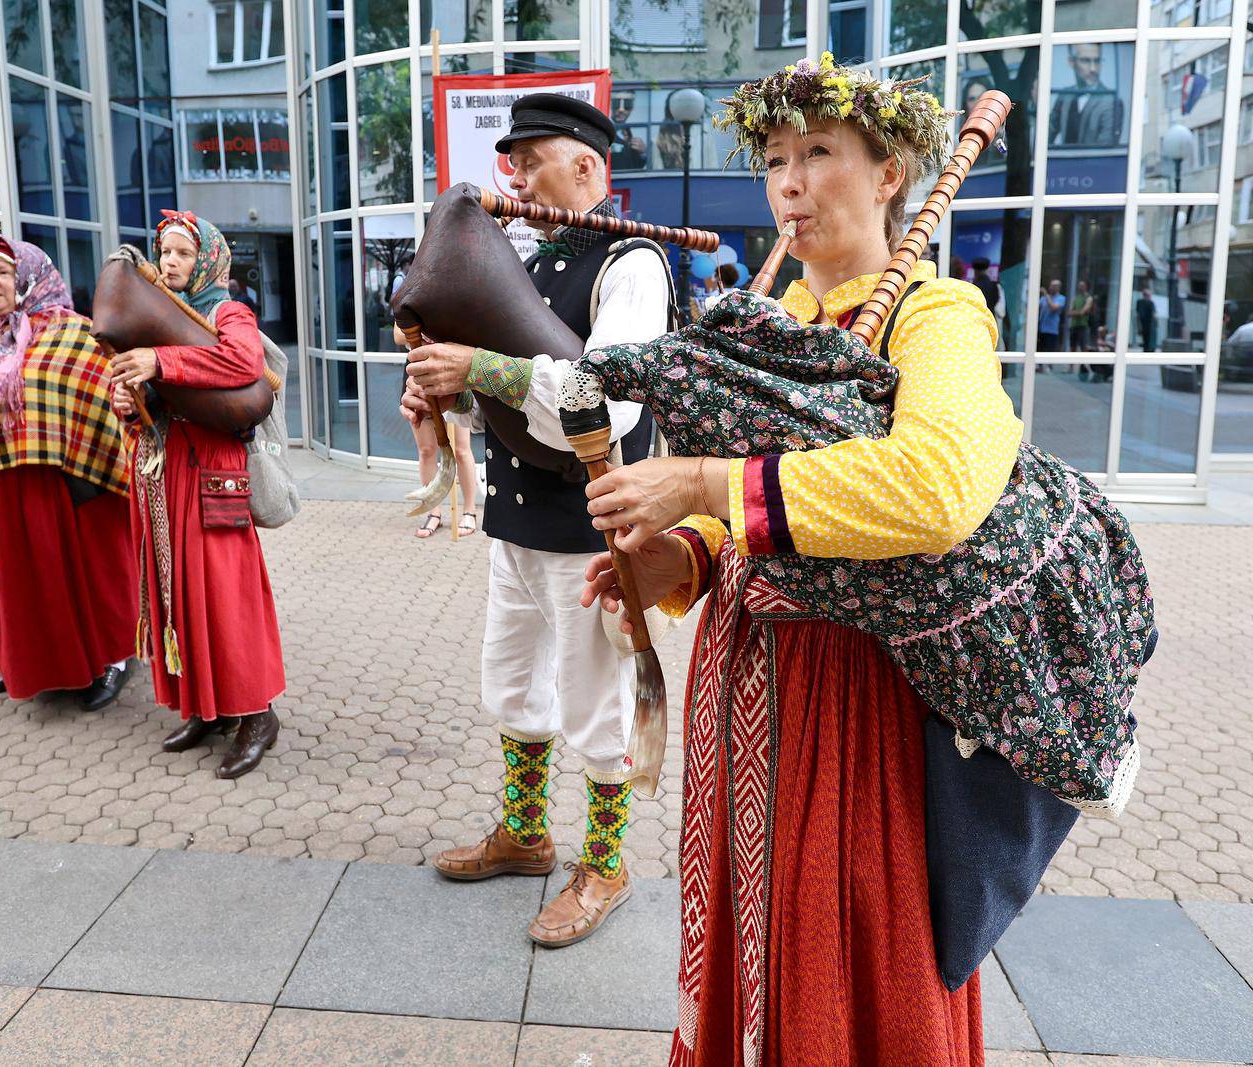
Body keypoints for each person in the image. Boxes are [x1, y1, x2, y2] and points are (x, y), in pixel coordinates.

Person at [575, 54, 1040, 1064]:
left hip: (854, 698)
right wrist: (675, 562)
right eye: (776, 159)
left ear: (887, 175)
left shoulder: (938, 317)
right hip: (747, 677)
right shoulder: (784, 326)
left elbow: (935, 488)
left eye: (819, 152)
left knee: (838, 934)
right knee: (751, 909)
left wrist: (700, 484)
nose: (790, 180)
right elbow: (754, 504)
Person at [401, 93, 670, 947]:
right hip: (516, 521)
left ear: (587, 168)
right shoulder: (530, 262)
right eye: (511, 160)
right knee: (513, 680)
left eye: (531, 159)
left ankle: (606, 862)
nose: (512, 175)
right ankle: (525, 834)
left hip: (590, 527)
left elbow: (608, 404)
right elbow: (512, 411)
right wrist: (453, 390)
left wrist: (486, 362)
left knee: (597, 702)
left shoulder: (634, 264)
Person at [0, 236, 138, 709]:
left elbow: (98, 406)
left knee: (77, 576)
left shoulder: (72, 333)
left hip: (54, 488)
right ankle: (17, 663)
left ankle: (111, 658)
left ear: (30, 277)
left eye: (3, 273)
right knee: (10, 583)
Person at [110, 210, 286, 779]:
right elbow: (155, 404)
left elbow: (243, 360)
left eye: (184, 253)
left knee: (224, 593)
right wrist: (129, 405)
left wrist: (158, 360)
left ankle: (257, 715)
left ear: (208, 259)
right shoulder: (155, 314)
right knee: (178, 592)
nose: (171, 263)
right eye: (165, 252)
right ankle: (207, 707)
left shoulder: (227, 311)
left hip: (214, 472)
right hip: (165, 474)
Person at [398, 328, 480, 539]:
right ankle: (433, 511)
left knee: (461, 450)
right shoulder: (408, 296)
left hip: (453, 369)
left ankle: (469, 510)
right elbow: (399, 335)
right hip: (419, 372)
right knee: (426, 450)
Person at [1051, 43, 1125, 147]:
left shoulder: (1111, 101)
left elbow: (1105, 147)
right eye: (1085, 61)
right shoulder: (1064, 96)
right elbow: (1047, 134)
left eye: (1097, 61)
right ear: (1071, 62)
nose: (1093, 69)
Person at [971, 256, 1007, 351]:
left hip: (975, 326)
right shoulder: (995, 286)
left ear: (975, 271)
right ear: (987, 269)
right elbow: (1001, 311)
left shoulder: (972, 287)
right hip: (992, 324)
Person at [1037, 277, 1066, 352]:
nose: (1050, 287)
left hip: (1052, 331)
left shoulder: (1061, 298)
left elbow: (1053, 307)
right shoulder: (1043, 298)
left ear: (1058, 288)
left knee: (1049, 352)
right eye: (1050, 285)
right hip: (1041, 330)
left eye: (1053, 286)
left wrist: (1046, 294)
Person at [1136, 279, 1158, 350]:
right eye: (1149, 295)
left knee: (1146, 344)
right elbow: (1154, 315)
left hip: (1147, 326)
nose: (1150, 296)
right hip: (1149, 326)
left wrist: (1139, 327)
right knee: (1149, 344)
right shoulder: (1149, 303)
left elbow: (1139, 315)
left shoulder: (1140, 302)